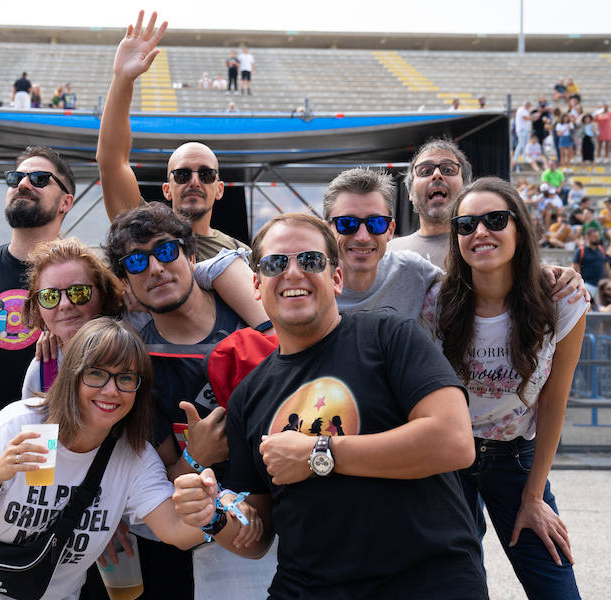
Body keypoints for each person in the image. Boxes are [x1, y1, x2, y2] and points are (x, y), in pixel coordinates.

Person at [172, 212, 487, 598]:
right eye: (275, 263)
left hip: (426, 583)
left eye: (310, 260)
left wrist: (319, 454)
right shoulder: (247, 397)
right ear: (257, 284)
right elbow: (257, 535)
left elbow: (454, 442)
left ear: (335, 278)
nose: (292, 273)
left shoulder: (389, 337)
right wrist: (214, 515)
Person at [0, 318, 218, 599]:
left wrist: (216, 510)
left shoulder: (133, 457)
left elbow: (176, 531)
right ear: (72, 376)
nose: (111, 390)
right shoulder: (23, 424)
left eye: (126, 378)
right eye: (97, 374)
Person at [423, 177, 586, 599]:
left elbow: (554, 400)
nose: (480, 232)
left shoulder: (561, 300)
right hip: (449, 458)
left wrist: (535, 495)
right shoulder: (437, 303)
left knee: (557, 588)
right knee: (457, 588)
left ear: (519, 228)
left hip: (516, 458)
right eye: (466, 224)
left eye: (495, 219)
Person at [104, 202, 270, 599]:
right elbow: (162, 482)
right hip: (216, 539)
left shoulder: (252, 309)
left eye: (165, 251)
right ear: (125, 281)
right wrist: (198, 456)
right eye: (136, 262)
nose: (156, 269)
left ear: (191, 256)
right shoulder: (134, 365)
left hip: (296, 512)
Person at [0, 145, 75, 461]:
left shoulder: (84, 279)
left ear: (66, 202)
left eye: (38, 178)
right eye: (15, 177)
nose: (23, 184)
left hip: (47, 458)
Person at [97, 12, 250, 261]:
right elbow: (112, 163)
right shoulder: (144, 232)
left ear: (220, 188)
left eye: (206, 174)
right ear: (167, 189)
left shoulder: (240, 255)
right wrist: (123, 79)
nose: (194, 181)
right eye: (182, 174)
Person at [323, 167, 441, 317]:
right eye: (347, 223)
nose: (363, 237)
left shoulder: (413, 272)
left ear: (390, 230)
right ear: (326, 232)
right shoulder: (311, 286)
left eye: (376, 223)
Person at [20, 238, 125, 398]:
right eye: (50, 296)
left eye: (79, 292)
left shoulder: (131, 352)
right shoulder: (41, 372)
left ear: (103, 294)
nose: (64, 304)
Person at [389, 137, 472, 268]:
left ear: (465, 188)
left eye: (448, 170)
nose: (437, 174)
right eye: (426, 171)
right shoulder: (389, 254)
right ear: (410, 193)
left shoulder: (479, 247)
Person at [573, 224, 611, 297]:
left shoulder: (601, 249)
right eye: (595, 237)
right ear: (587, 237)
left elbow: (607, 265)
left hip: (601, 285)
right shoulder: (580, 251)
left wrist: (610, 280)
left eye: (598, 236)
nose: (597, 239)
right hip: (587, 285)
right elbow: (575, 268)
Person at [513, 101, 534, 165]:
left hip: (525, 130)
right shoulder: (521, 110)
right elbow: (525, 118)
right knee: (521, 144)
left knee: (525, 145)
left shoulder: (525, 111)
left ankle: (524, 158)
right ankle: (515, 158)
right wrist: (533, 117)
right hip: (521, 130)